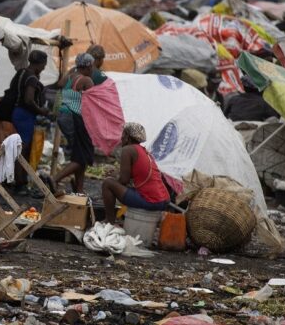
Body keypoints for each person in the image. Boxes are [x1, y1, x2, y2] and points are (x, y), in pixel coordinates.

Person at [101, 123, 169, 224]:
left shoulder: (128, 150)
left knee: (107, 184)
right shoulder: (144, 151)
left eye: (123, 134)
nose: (121, 137)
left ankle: (109, 221)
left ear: (128, 136)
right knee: (112, 182)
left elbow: (124, 180)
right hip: (164, 200)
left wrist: (113, 179)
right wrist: (116, 175)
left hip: (151, 200)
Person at [52, 53, 95, 194]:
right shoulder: (86, 80)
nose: (93, 69)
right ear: (88, 66)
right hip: (75, 118)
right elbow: (95, 101)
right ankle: (55, 179)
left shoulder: (69, 77)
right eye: (92, 65)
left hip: (63, 117)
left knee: (79, 153)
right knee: (84, 155)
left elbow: (58, 85)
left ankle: (79, 189)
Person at [11, 50, 52, 192]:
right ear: (39, 63)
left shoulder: (22, 73)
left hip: (17, 113)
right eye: (44, 65)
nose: (44, 68)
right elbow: (29, 100)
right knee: (22, 149)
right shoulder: (32, 79)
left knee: (20, 148)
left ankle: (20, 180)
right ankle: (20, 183)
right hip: (25, 116)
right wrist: (41, 111)